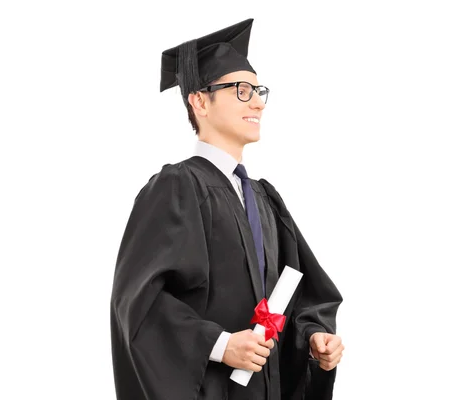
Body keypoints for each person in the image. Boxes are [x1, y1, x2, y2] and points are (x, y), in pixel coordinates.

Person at [110, 18, 344, 400]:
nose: (256, 102)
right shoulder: (177, 188)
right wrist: (219, 345)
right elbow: (139, 304)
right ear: (199, 100)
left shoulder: (264, 198)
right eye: (240, 90)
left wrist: (313, 336)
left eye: (258, 90)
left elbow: (300, 290)